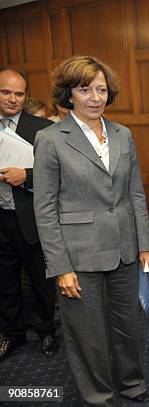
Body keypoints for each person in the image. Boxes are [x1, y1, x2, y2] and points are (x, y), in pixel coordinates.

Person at [33, 56, 149, 406]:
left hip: (124, 248)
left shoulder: (123, 134)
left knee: (128, 325)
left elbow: (135, 192)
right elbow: (44, 208)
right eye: (85, 89)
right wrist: (59, 267)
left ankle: (131, 383)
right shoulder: (51, 139)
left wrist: (144, 243)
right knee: (87, 335)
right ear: (69, 94)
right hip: (78, 254)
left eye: (101, 89)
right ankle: (98, 395)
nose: (95, 97)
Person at [0, 69, 57, 362]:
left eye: (19, 94)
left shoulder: (42, 128)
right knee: (5, 281)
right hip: (0, 219)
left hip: (30, 217)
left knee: (40, 278)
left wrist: (27, 175)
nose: (13, 99)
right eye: (6, 92)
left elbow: (59, 174)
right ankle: (12, 334)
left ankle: (47, 330)